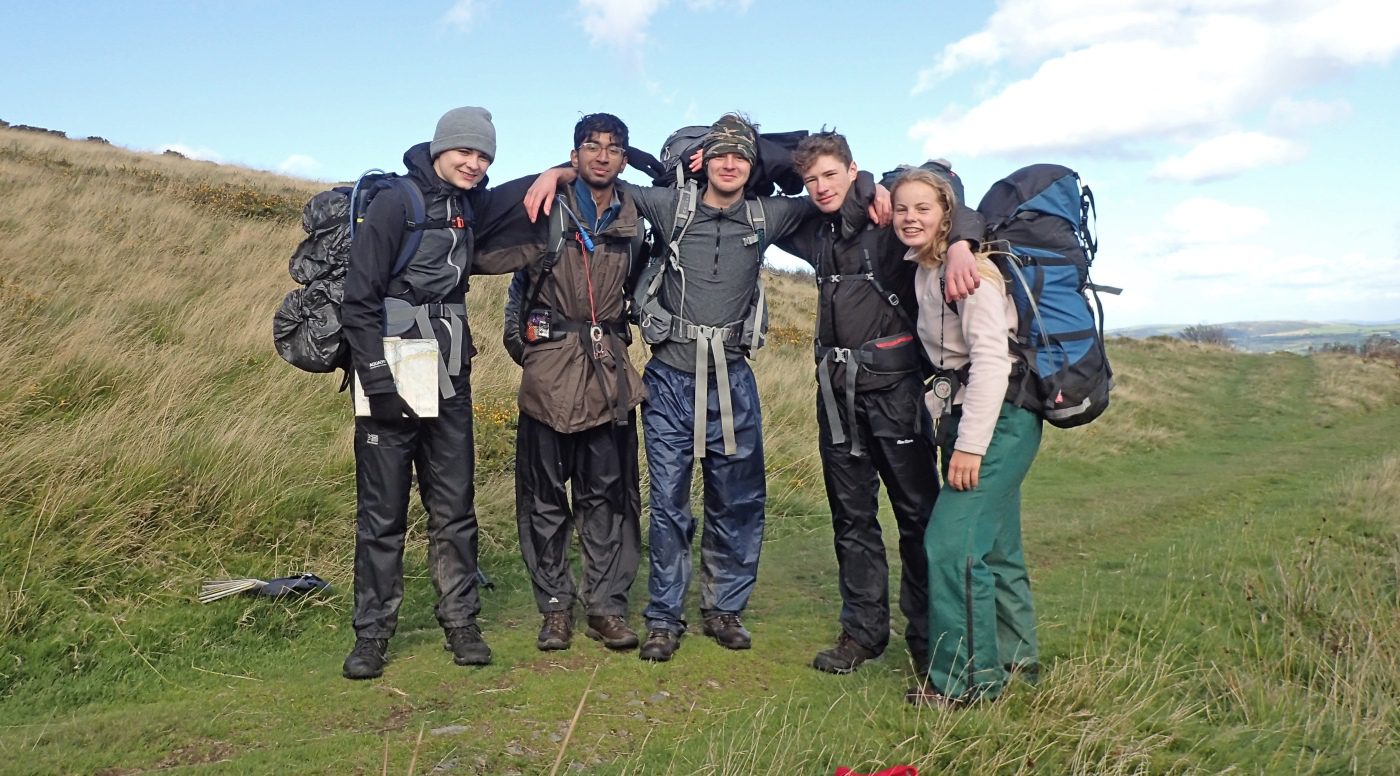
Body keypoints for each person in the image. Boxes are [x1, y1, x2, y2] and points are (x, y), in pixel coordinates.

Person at [526, 114, 843, 661]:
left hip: (733, 381)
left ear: (751, 164)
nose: (728, 164)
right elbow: (608, 180)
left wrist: (876, 187)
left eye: (740, 156)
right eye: (719, 154)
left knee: (738, 500)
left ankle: (724, 609)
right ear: (703, 161)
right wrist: (558, 171)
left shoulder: (771, 215)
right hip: (669, 381)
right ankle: (664, 618)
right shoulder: (671, 207)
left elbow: (829, 188)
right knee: (669, 503)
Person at [339, 106, 539, 680]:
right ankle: (372, 636)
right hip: (393, 369)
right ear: (439, 149)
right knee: (382, 515)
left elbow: (522, 193)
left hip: (449, 371)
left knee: (454, 508)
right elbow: (359, 300)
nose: (474, 164)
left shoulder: (468, 204)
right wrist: (375, 379)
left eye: (484, 157)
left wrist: (562, 171)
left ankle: (461, 623)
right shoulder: (394, 204)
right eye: (466, 153)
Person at [776, 133, 983, 676]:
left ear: (852, 169)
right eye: (810, 179)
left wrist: (953, 239)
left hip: (896, 394)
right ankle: (863, 633)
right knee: (852, 517)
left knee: (916, 516)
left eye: (830, 175)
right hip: (836, 395)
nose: (820, 187)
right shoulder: (812, 231)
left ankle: (926, 638)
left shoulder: (891, 222)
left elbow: (952, 195)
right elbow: (757, 169)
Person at [891, 168, 1041, 706]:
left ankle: (967, 685)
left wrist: (971, 444)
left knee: (952, 548)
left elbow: (991, 364)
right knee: (996, 546)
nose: (911, 218)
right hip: (975, 418)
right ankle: (1018, 661)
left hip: (996, 420)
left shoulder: (971, 272)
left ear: (947, 215)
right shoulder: (927, 269)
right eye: (903, 208)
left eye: (924, 209)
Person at [502, 113, 646, 653]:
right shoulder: (546, 210)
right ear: (575, 153)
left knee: (609, 497)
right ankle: (556, 608)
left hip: (610, 374)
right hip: (548, 377)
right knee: (543, 500)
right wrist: (533, 356)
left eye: (612, 148)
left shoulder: (637, 217)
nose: (602, 156)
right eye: (591, 147)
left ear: (624, 158)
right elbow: (517, 294)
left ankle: (607, 607)